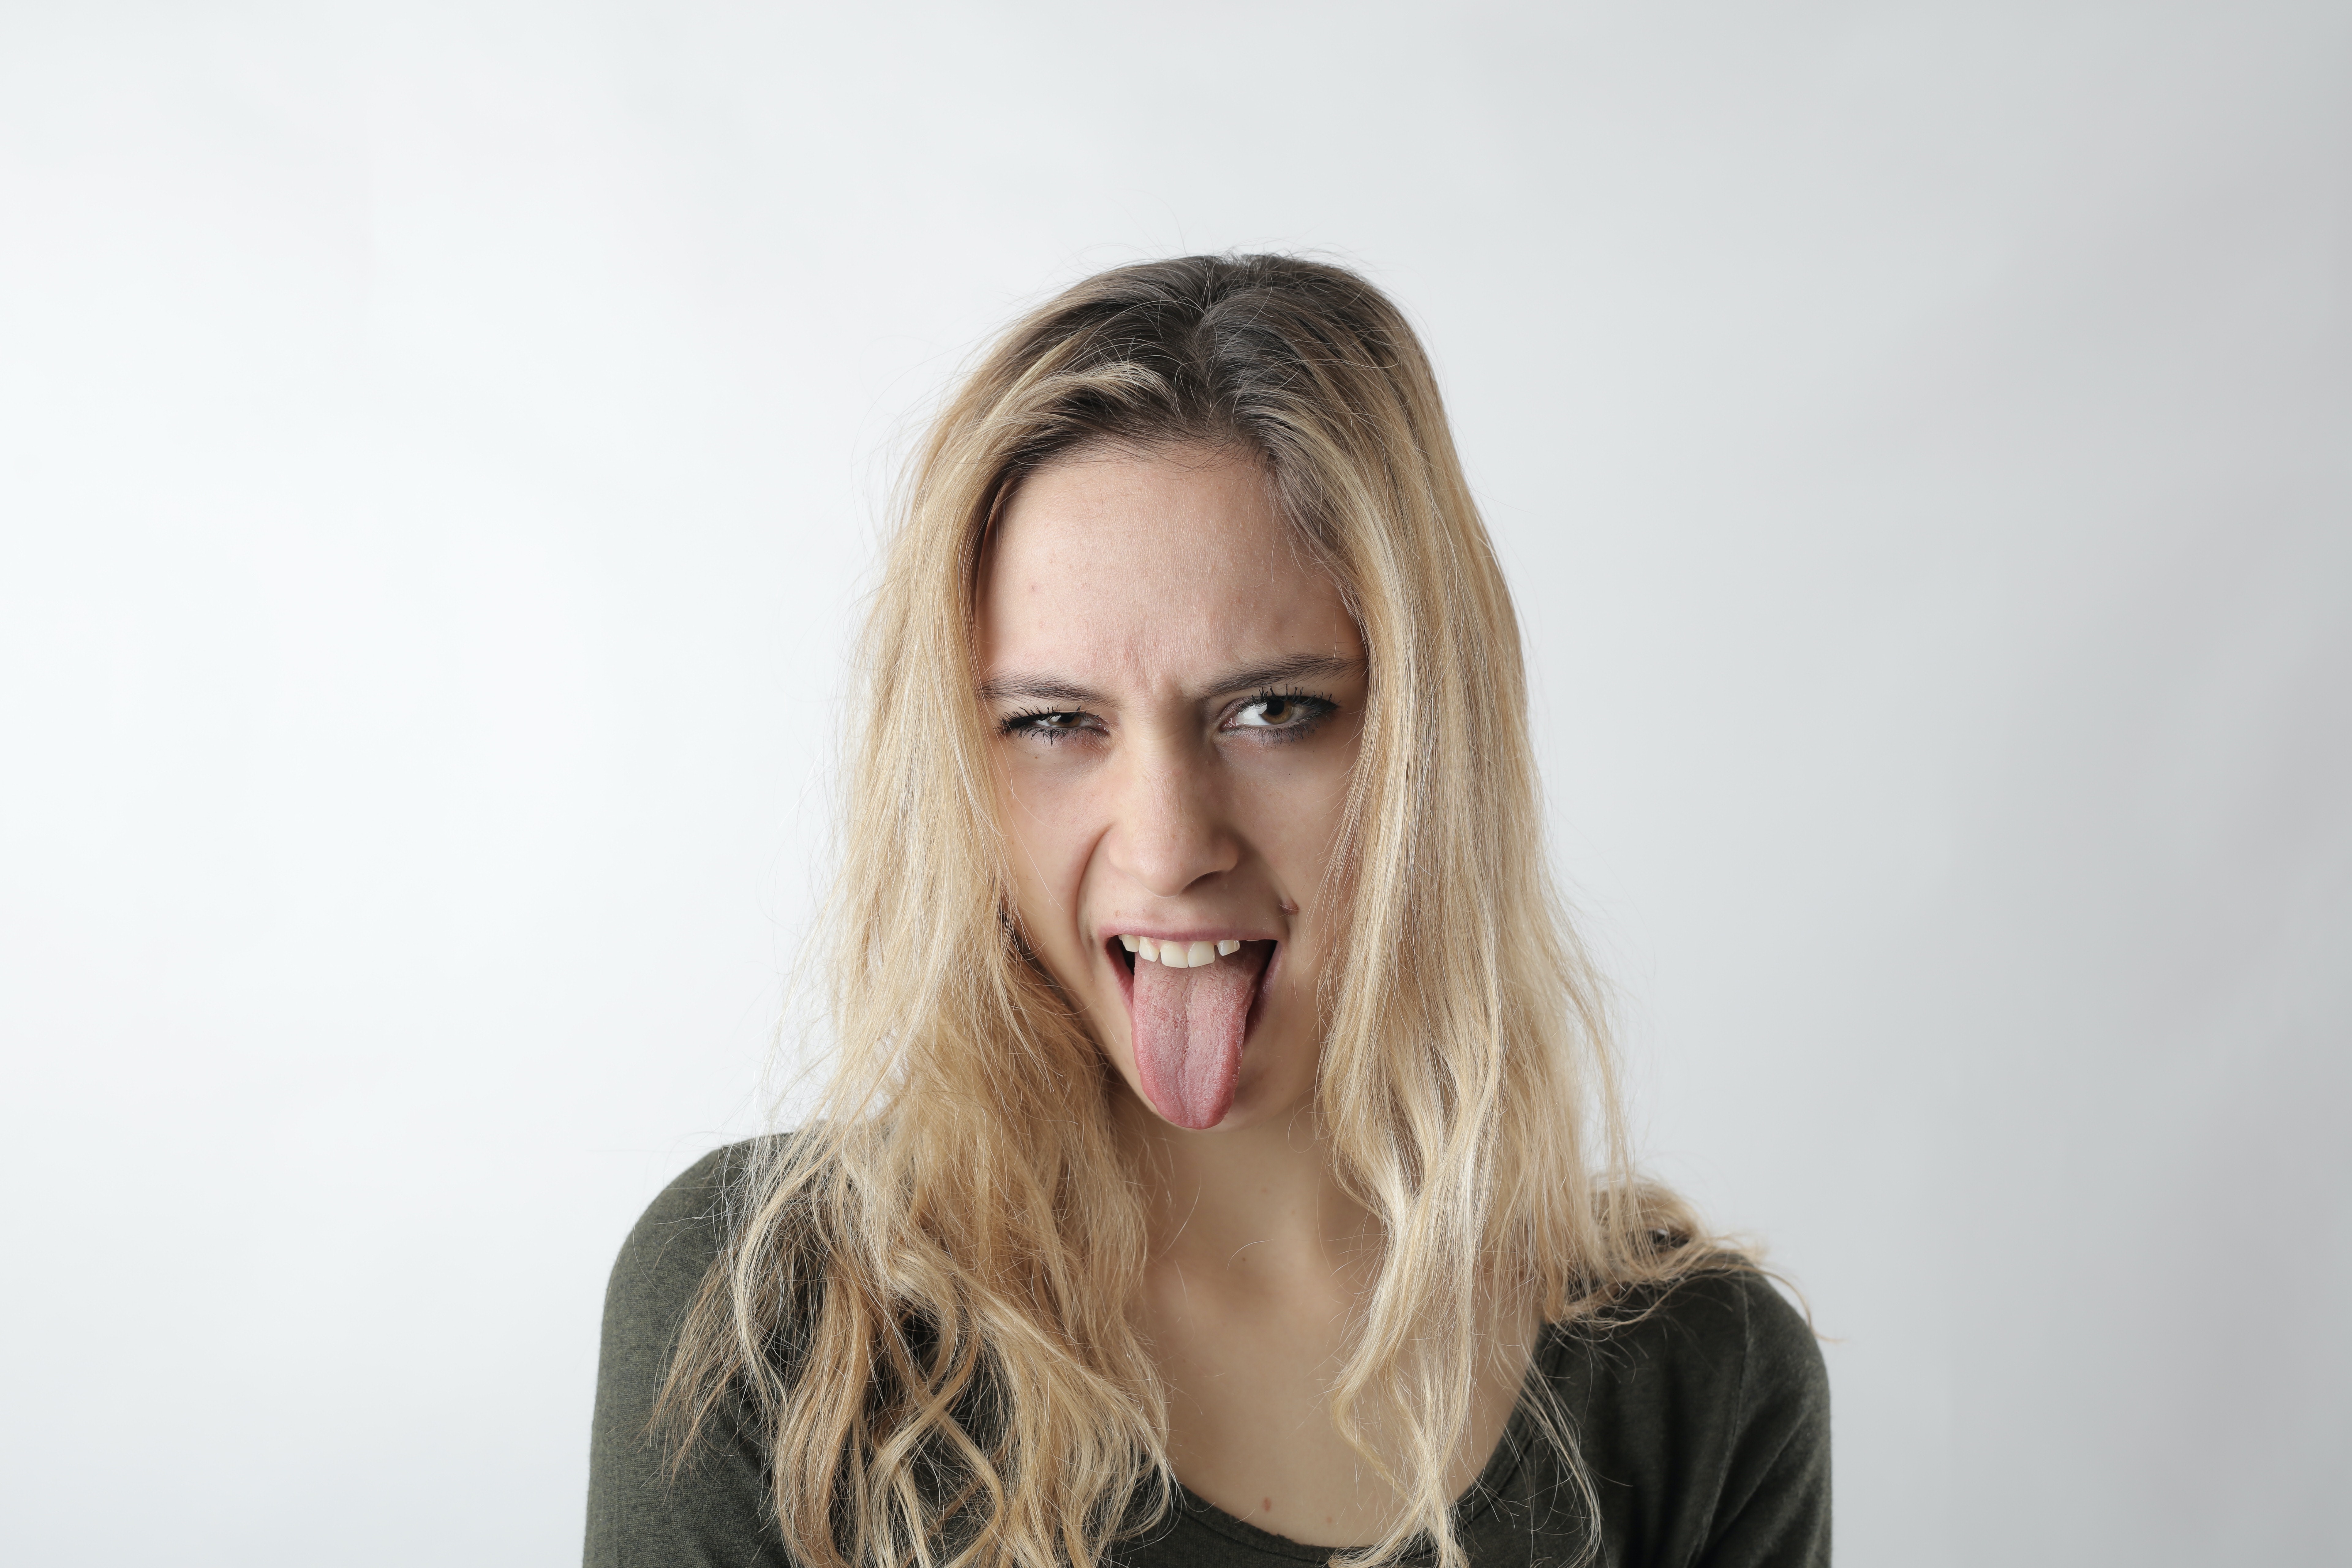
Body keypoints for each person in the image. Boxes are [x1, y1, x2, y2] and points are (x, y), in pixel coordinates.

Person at [585, 254, 1830, 1568]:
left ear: (1437, 737)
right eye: (1053, 723)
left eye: (1275, 711)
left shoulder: (1701, 1375)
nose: (1171, 847)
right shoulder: (775, 1316)